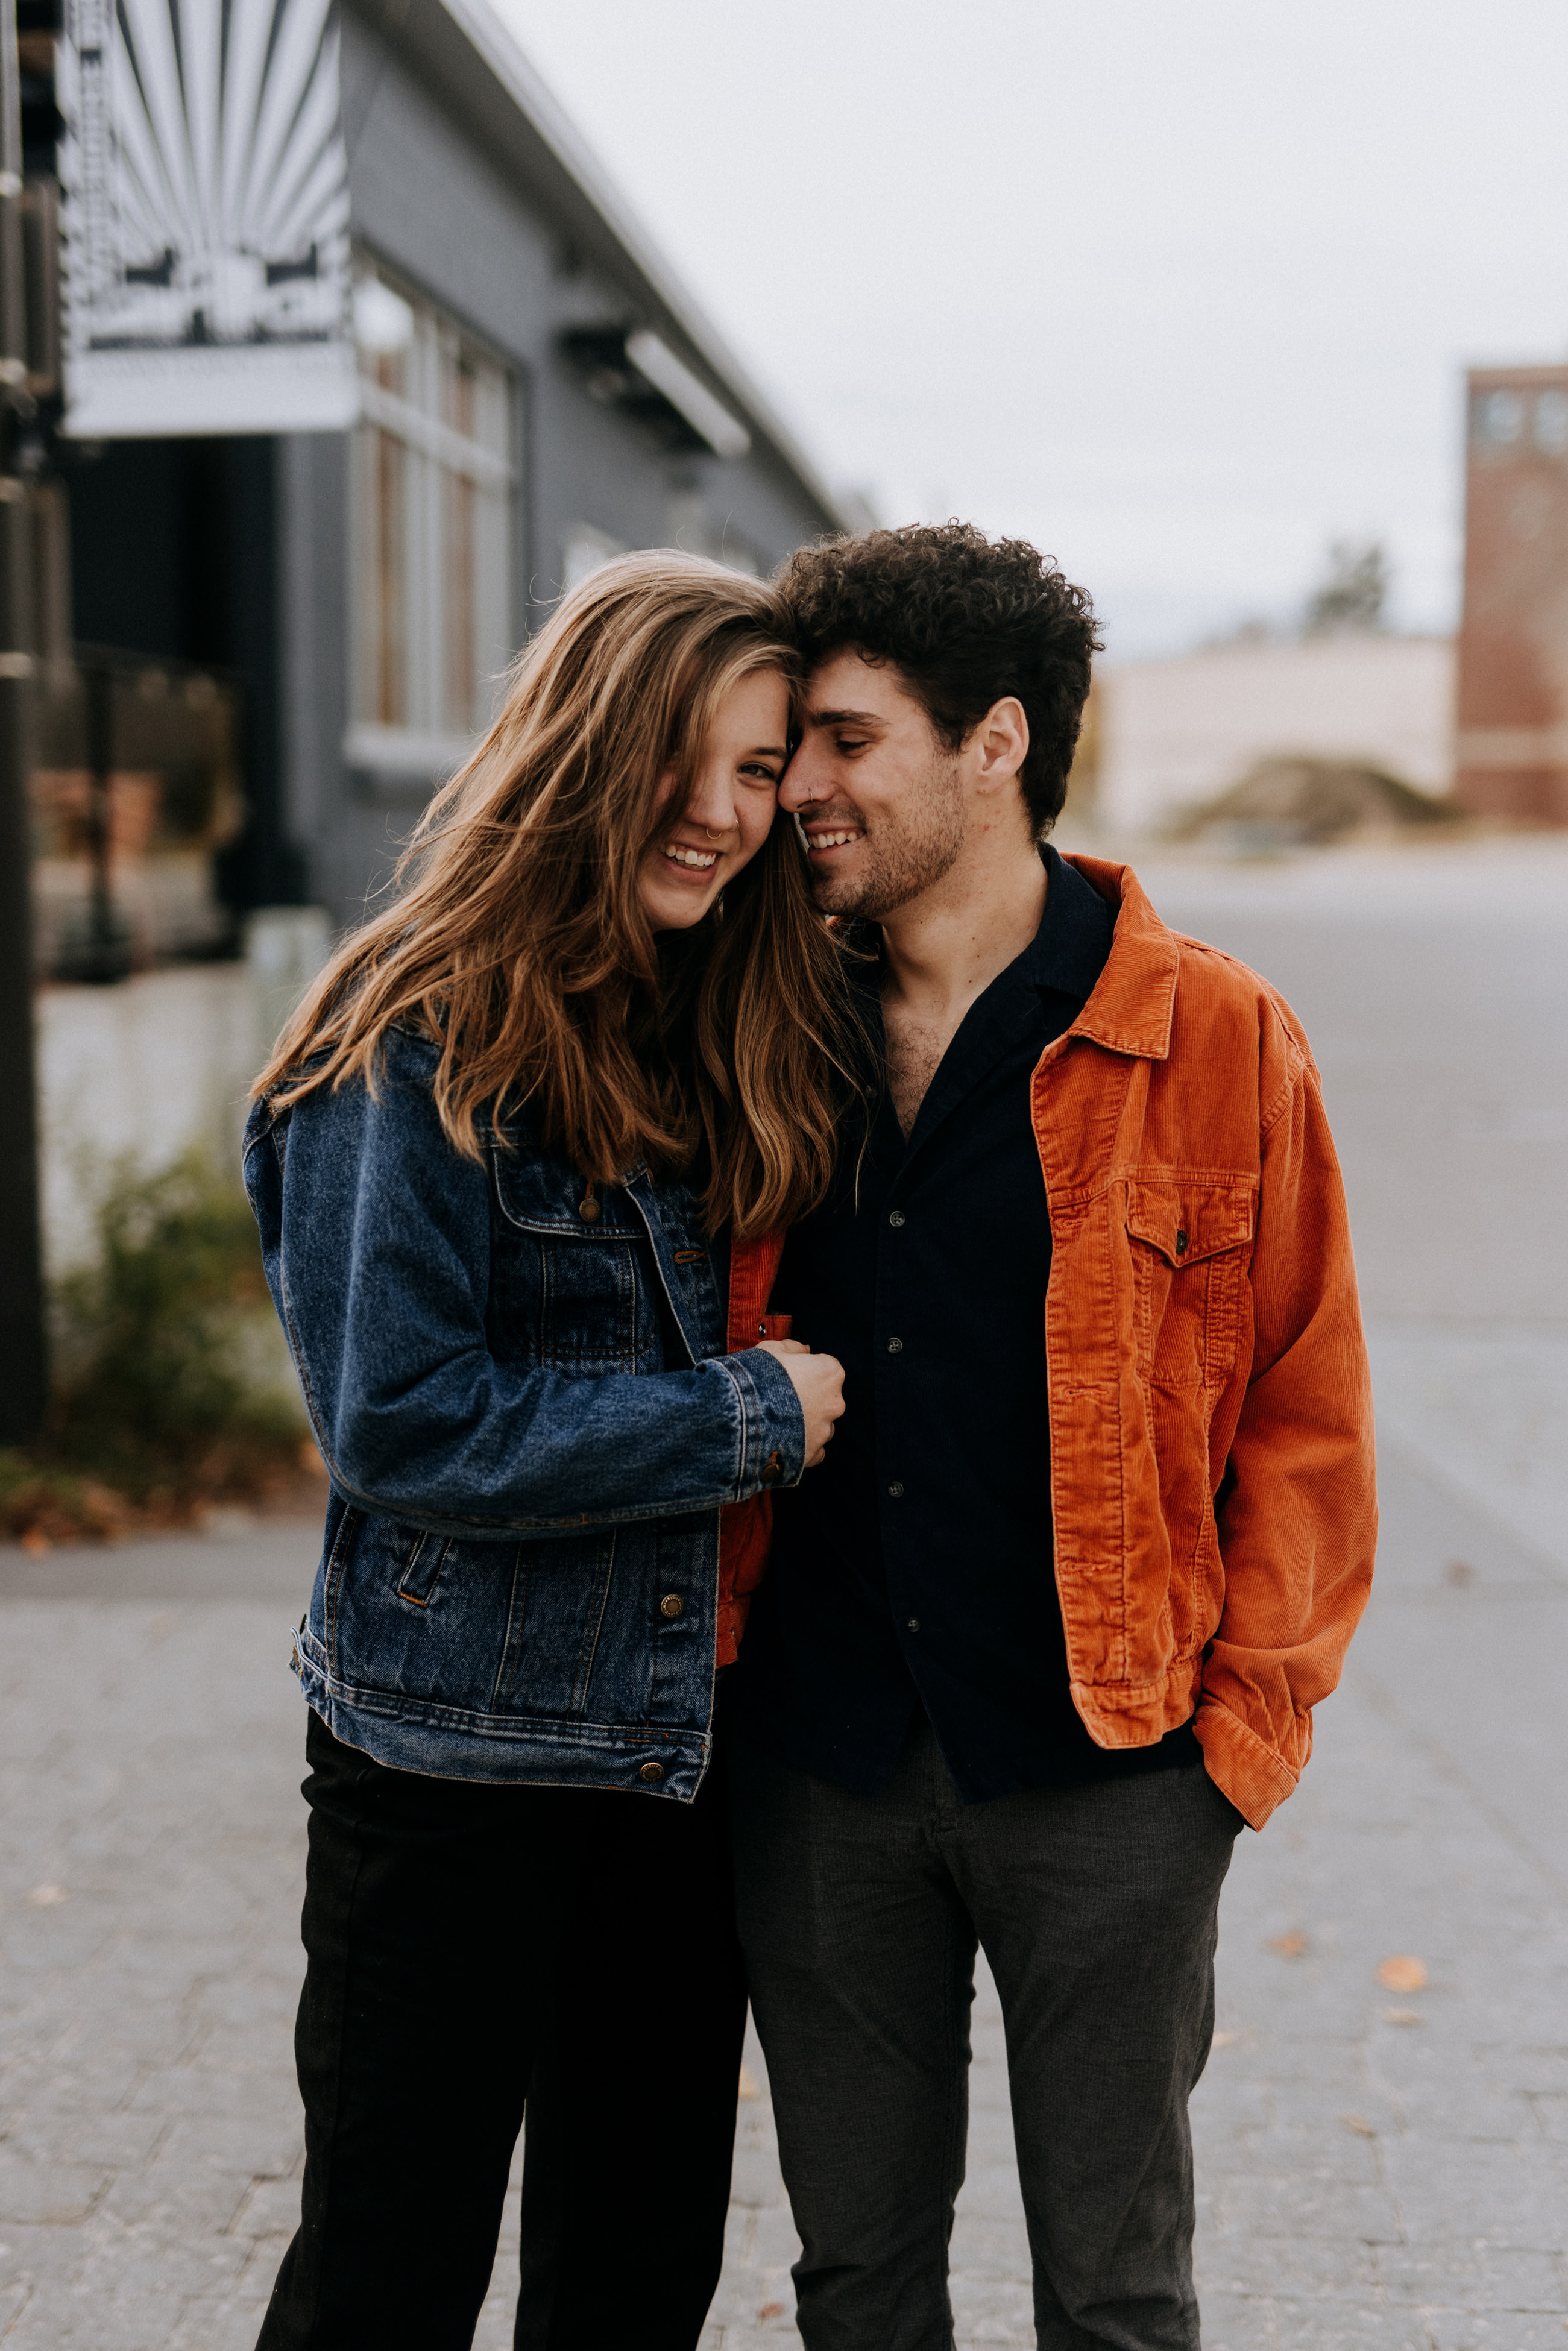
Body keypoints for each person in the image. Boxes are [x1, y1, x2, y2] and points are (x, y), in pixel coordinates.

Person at [726, 522, 1378, 2351]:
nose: (806, 792)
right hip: (817, 1757)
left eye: (846, 742)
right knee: (858, 2282)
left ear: (992, 743)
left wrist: (1230, 1753)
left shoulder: (1219, 1037)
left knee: (1114, 2291)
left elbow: (1309, 1413)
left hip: (1110, 1769)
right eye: (797, 752)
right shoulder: (765, 1019)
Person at [242, 551, 851, 2351]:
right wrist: (752, 1414)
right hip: (452, 1761)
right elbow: (401, 1418)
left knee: (635, 2274)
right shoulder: (413, 1030)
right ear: (589, 736)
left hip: (683, 1762)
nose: (726, 813)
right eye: (697, 755)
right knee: (386, 2274)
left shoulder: (715, 1011)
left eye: (761, 773)